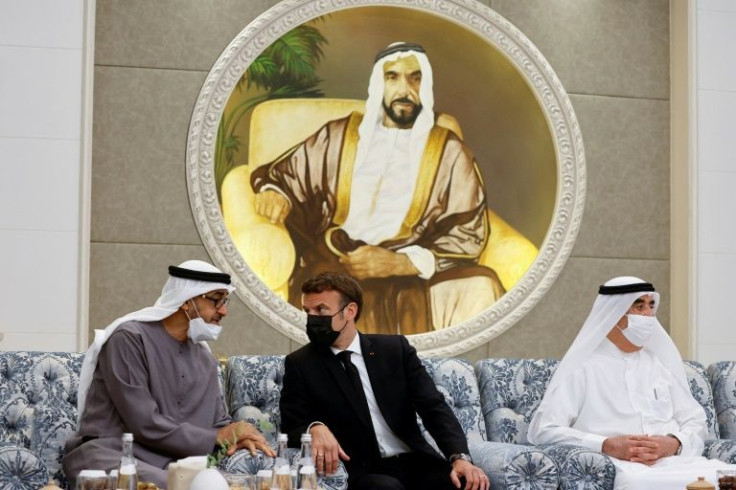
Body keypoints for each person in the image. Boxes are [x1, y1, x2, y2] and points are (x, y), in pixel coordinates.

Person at [251, 41, 504, 335]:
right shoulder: (340, 135)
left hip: (414, 266)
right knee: (329, 292)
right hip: (341, 256)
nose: (404, 89)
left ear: (426, 85)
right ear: (378, 84)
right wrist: (275, 194)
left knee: (482, 286)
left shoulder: (449, 151)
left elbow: (466, 232)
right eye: (392, 77)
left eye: (415, 77)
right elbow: (288, 175)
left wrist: (401, 264)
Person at [63, 260, 275, 488]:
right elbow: (143, 422)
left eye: (225, 301)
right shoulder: (129, 339)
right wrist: (218, 436)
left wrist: (239, 435)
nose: (223, 311)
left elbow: (218, 423)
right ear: (187, 301)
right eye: (216, 300)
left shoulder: (204, 358)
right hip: (114, 453)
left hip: (178, 463)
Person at [279, 271, 490, 490]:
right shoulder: (301, 363)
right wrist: (314, 427)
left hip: (415, 460)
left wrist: (460, 458)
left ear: (350, 311)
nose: (312, 318)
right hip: (363, 470)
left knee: (466, 484)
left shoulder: (394, 350)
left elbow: (433, 407)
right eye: (308, 311)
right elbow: (290, 425)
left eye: (321, 309)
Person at [527, 276, 736, 489]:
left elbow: (696, 421)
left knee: (730, 477)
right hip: (623, 468)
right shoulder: (582, 368)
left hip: (679, 462)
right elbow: (544, 430)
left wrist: (674, 443)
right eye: (639, 306)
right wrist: (606, 445)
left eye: (651, 306)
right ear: (614, 314)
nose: (649, 314)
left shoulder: (659, 364)